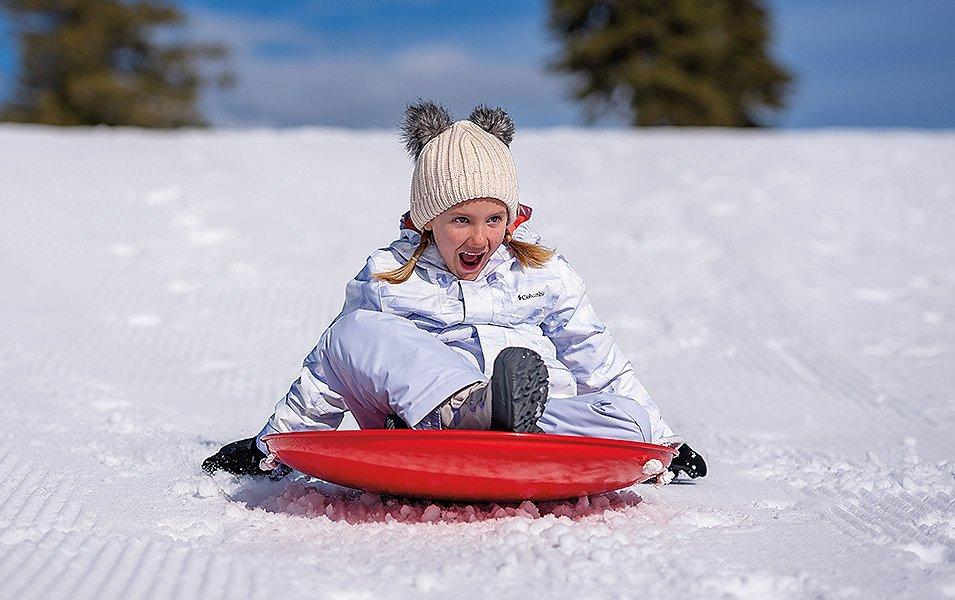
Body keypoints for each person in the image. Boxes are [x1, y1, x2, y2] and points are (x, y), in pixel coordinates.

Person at [203, 100, 707, 481]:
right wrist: (272, 447)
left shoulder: (545, 274)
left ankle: (508, 424)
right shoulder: (389, 274)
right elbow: (337, 363)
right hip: (421, 418)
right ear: (428, 219)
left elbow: (594, 356)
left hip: (534, 421)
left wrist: (662, 441)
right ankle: (464, 408)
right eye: (461, 220)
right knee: (354, 331)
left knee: (629, 422)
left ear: (512, 217)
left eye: (494, 219)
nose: (480, 237)